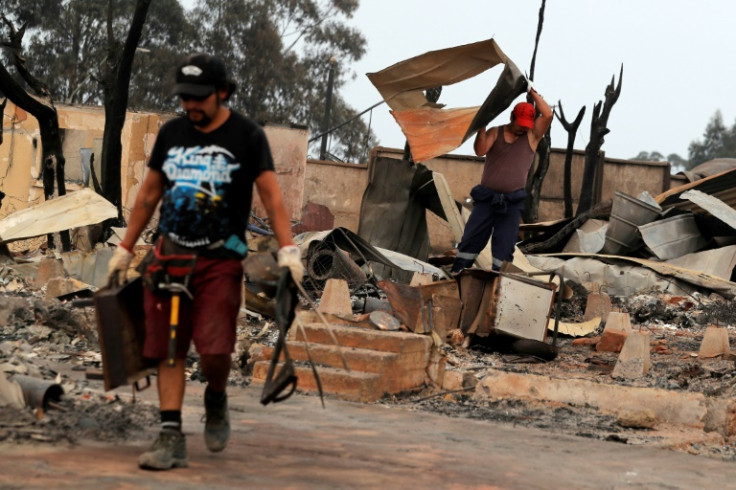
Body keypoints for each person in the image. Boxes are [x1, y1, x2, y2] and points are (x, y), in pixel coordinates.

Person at [106, 53, 304, 471]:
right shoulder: (172, 133)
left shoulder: (247, 136)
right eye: (185, 98)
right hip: (169, 255)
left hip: (220, 259)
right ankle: (170, 435)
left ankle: (216, 397)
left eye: (199, 98)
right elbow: (148, 194)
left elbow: (271, 197)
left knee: (215, 351)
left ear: (223, 93)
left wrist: (288, 250)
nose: (191, 106)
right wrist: (125, 248)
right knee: (168, 349)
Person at [451, 84, 553, 273]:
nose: (523, 129)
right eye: (520, 125)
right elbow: (480, 151)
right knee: (471, 239)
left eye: (526, 126)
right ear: (511, 118)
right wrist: (482, 124)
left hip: (512, 203)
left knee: (505, 246)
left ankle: (499, 284)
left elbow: (547, 114)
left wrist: (532, 93)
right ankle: (458, 274)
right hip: (487, 200)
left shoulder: (532, 136)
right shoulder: (495, 132)